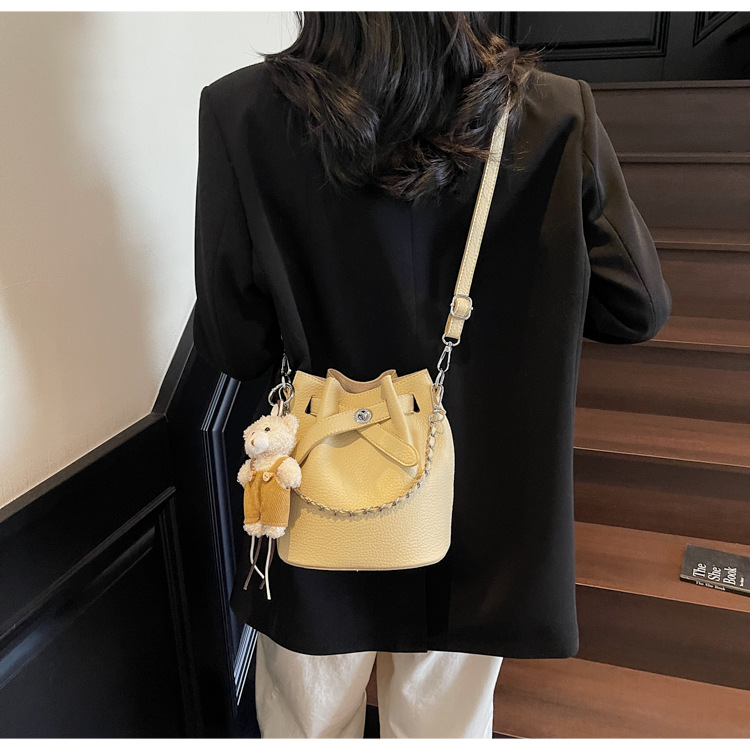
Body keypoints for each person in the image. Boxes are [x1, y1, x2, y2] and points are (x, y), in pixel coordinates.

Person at [192, 12, 672, 739]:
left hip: (319, 491)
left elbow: (235, 346)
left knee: (305, 726)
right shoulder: (553, 111)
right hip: (480, 512)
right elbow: (636, 308)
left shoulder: (241, 110)